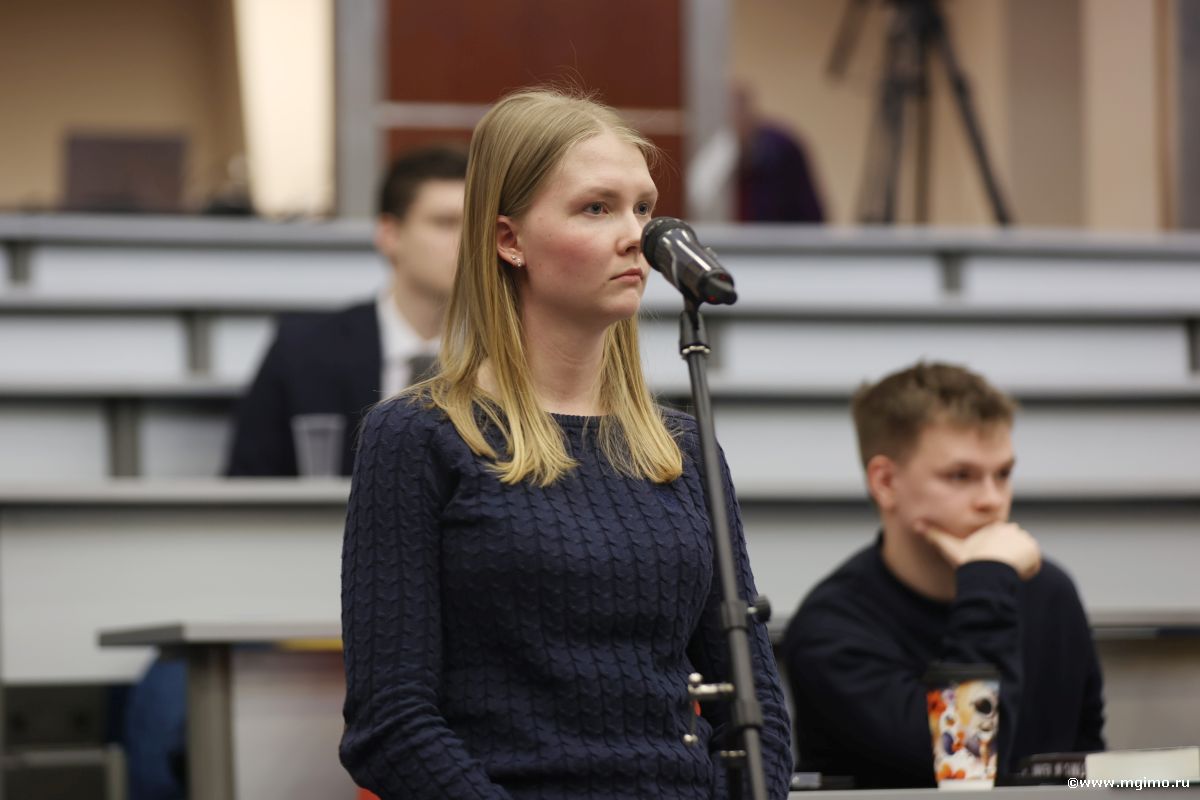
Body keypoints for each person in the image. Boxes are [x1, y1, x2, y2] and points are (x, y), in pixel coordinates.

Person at [339, 87, 794, 799]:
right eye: (596, 208)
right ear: (509, 240)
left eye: (643, 208)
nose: (635, 235)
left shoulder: (680, 446)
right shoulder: (419, 435)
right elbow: (390, 723)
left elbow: (754, 703)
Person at [780, 362, 1105, 788]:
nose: (992, 500)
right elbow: (966, 764)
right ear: (885, 482)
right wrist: (986, 581)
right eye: (961, 476)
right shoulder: (830, 630)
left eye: (1003, 474)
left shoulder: (1050, 594)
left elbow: (1087, 769)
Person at [225, 144, 467, 476]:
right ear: (390, 234)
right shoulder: (303, 351)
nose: (469, 241)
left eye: (478, 225)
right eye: (446, 223)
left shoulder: (512, 354)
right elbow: (247, 486)